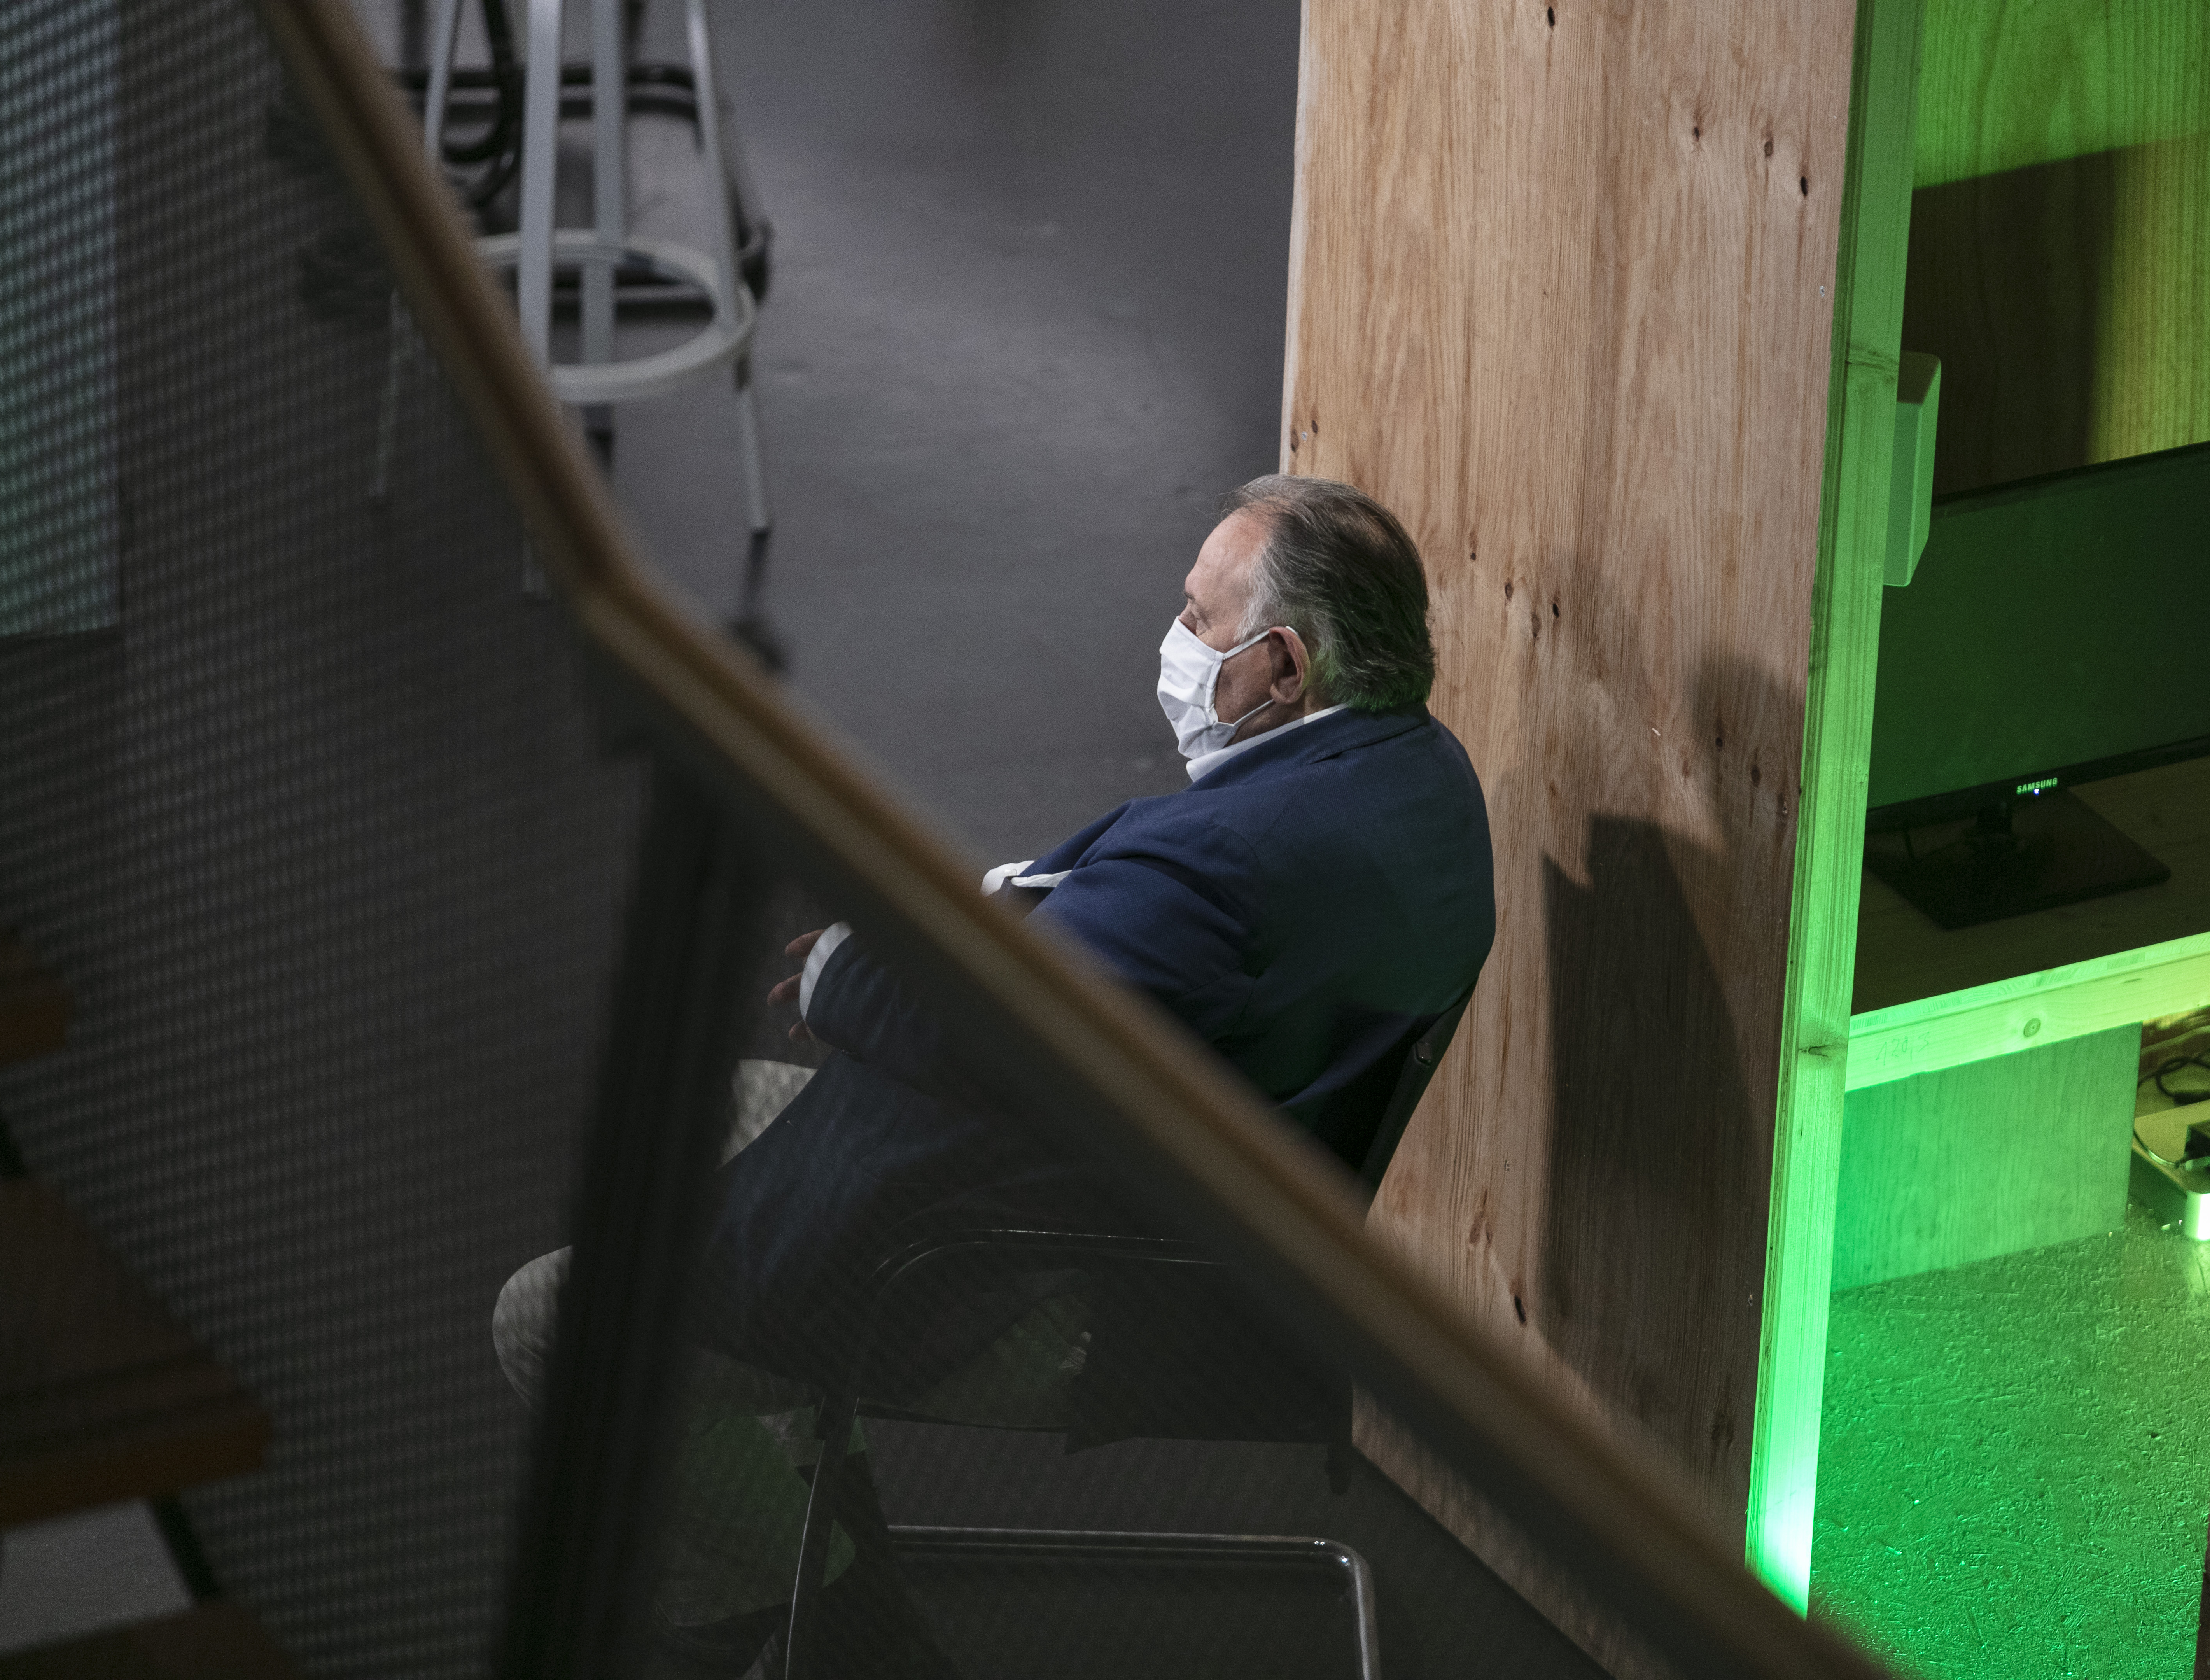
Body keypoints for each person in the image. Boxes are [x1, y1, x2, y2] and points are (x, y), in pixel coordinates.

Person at [493, 473, 1494, 1673]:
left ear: (1285, 667)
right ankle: (824, 1507)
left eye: (1201, 620)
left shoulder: (1234, 859)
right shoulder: (1418, 777)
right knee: (710, 1116)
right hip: (1182, 1214)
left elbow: (1002, 1034)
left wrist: (841, 983)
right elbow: (1112, 981)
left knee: (549, 1326)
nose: (1174, 643)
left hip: (1062, 1282)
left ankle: (828, 1621)